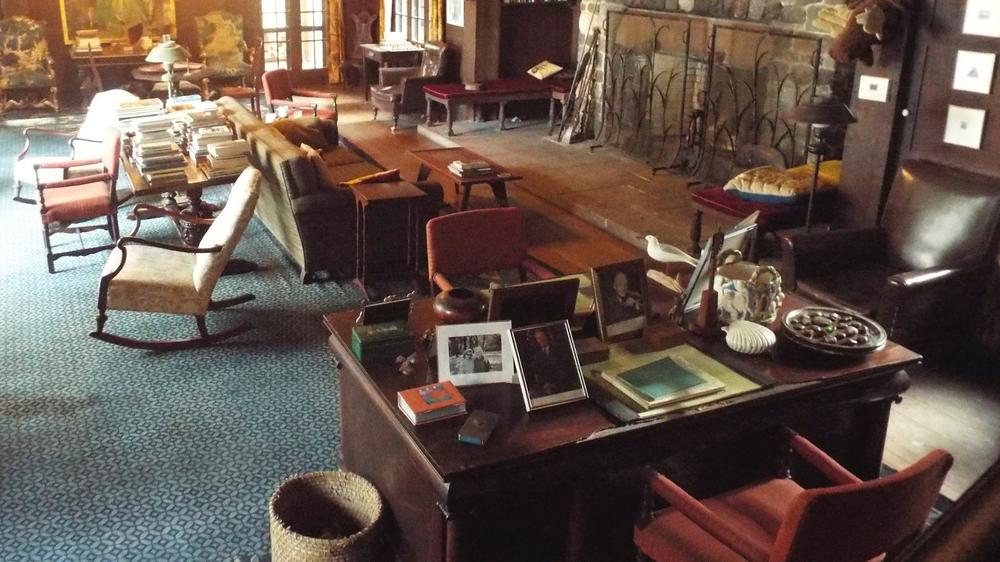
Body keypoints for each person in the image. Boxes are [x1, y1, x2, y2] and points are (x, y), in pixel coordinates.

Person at [522, 328, 579, 399]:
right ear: (536, 340)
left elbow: (565, 368)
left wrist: (555, 384)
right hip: (544, 386)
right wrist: (544, 384)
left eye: (542, 337)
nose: (541, 340)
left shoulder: (558, 350)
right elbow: (538, 373)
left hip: (561, 384)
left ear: (547, 337)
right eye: (538, 338)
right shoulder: (537, 356)